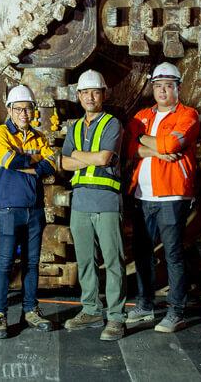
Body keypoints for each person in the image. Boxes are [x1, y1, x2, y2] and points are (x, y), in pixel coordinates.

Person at [124, 62, 200, 333]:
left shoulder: (188, 115)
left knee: (173, 255)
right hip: (142, 196)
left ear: (178, 88)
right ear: (152, 88)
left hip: (171, 196)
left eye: (168, 86)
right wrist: (155, 148)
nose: (163, 91)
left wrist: (145, 142)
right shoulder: (142, 116)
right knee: (142, 254)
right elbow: (130, 148)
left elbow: (173, 144)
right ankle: (145, 306)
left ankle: (176, 312)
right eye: (158, 86)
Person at [60, 70, 127, 341]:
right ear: (78, 96)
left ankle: (116, 317)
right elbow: (64, 163)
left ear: (103, 94)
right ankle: (90, 309)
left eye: (95, 92)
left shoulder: (113, 123)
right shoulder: (74, 126)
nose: (90, 96)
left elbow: (104, 158)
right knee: (85, 261)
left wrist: (79, 155)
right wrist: (89, 157)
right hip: (81, 202)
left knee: (113, 261)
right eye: (85, 92)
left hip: (107, 201)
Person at [0, 84, 58, 339]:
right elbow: (9, 161)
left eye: (27, 109)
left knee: (31, 263)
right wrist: (34, 161)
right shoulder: (0, 133)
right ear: (9, 110)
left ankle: (31, 310)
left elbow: (52, 164)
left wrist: (34, 165)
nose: (23, 114)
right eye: (18, 109)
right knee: (5, 263)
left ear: (33, 111)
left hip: (34, 208)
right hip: (8, 207)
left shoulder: (39, 137)